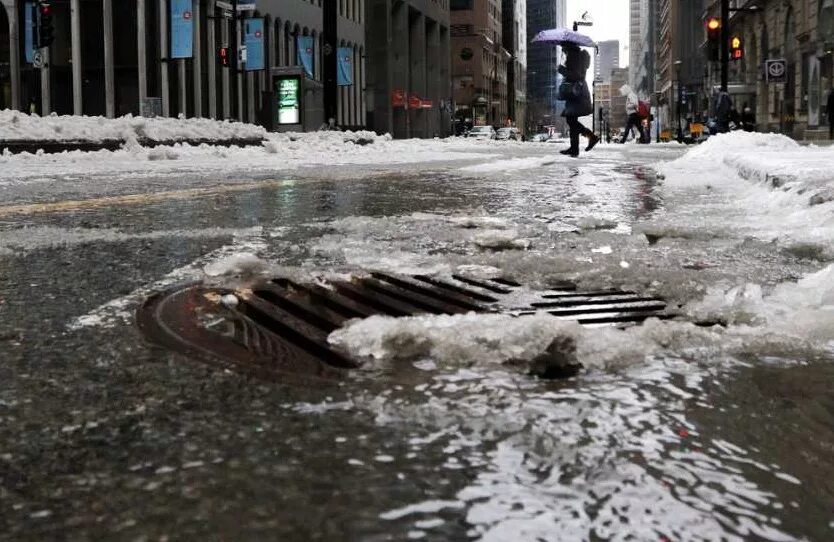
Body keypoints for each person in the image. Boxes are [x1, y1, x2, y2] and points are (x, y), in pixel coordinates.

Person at [556, 43, 598, 157]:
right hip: (576, 92)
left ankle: (591, 137)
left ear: (567, 47)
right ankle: (574, 148)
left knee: (571, 120)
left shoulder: (574, 56)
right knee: (571, 119)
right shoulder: (576, 55)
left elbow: (576, 75)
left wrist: (562, 70)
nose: (563, 50)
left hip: (576, 92)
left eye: (563, 47)